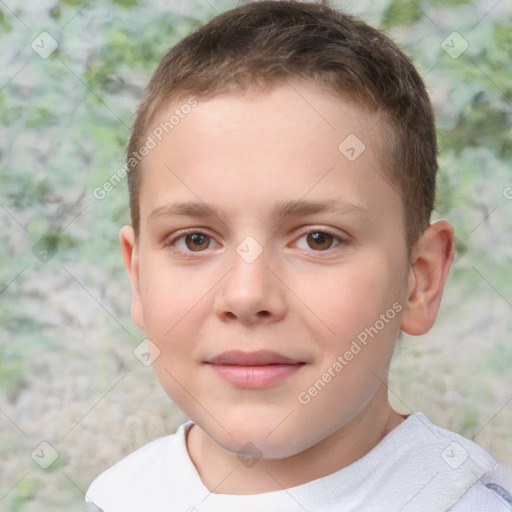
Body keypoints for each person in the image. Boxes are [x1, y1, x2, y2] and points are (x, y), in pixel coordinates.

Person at [85, 1, 512, 510]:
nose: (247, 296)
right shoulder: (117, 497)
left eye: (318, 239)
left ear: (418, 281)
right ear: (137, 277)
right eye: (195, 240)